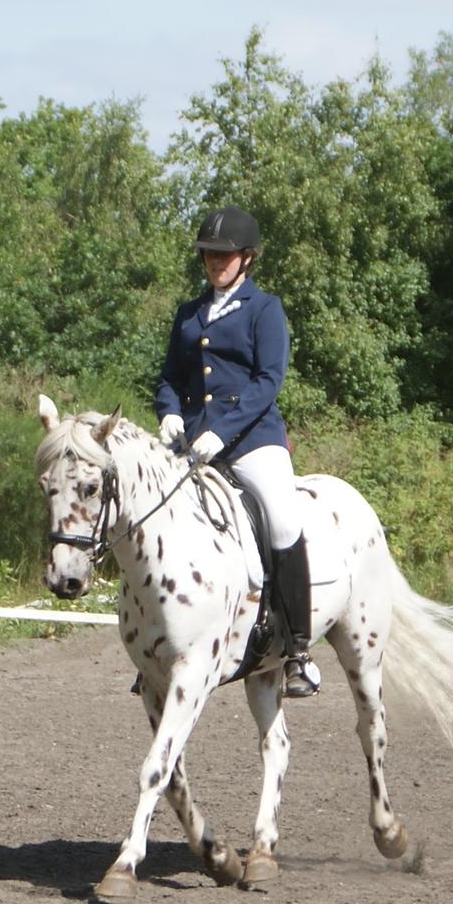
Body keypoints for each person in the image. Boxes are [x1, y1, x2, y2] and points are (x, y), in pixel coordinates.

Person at [155, 205, 322, 697]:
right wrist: (169, 411)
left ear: (247, 259)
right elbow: (169, 377)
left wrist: (221, 432)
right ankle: (160, 640)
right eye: (208, 255)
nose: (214, 262)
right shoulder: (189, 311)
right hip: (191, 443)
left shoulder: (264, 309)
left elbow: (268, 381)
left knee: (283, 520)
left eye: (224, 256)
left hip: (252, 439)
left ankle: (298, 651)